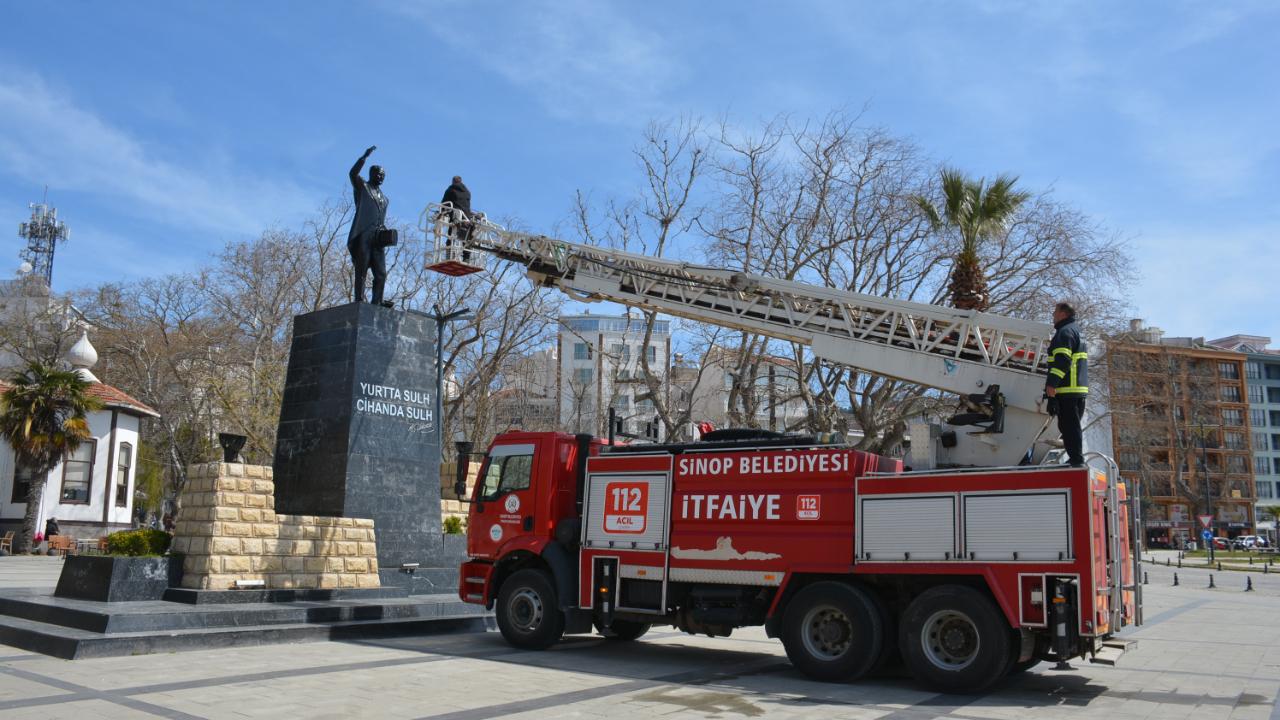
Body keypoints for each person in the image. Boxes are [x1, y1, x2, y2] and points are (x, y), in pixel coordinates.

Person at [1044, 301, 1088, 466]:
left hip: (1067, 389)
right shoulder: (1076, 331)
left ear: (1063, 314)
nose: (1053, 315)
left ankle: (1076, 461)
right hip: (1077, 389)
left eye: (1055, 312)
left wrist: (1051, 385)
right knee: (1070, 427)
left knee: (1069, 427)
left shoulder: (1064, 332)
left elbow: (1062, 362)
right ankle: (1075, 459)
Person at [348, 145, 392, 306]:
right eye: (379, 174)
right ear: (371, 174)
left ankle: (377, 301)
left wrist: (385, 231)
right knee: (362, 269)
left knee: (381, 273)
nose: (381, 177)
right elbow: (353, 174)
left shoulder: (385, 199)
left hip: (377, 238)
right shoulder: (362, 187)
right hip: (364, 234)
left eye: (383, 175)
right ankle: (359, 300)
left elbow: (381, 218)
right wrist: (364, 157)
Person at [441, 176, 472, 246]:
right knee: (464, 237)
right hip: (466, 216)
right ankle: (466, 251)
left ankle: (449, 248)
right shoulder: (467, 192)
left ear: (453, 181)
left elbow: (444, 203)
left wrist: (441, 212)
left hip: (456, 215)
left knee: (451, 233)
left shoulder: (450, 190)